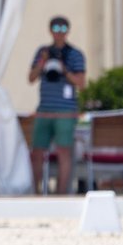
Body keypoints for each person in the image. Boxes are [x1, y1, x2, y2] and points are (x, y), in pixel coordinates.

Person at [27, 15, 87, 194]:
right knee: (37, 152)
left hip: (65, 110)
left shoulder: (75, 54)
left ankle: (61, 194)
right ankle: (35, 192)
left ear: (68, 31)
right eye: (55, 28)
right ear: (50, 30)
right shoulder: (42, 52)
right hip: (44, 109)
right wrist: (43, 62)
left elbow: (81, 84)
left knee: (63, 151)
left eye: (62, 29)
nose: (59, 33)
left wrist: (64, 70)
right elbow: (31, 78)